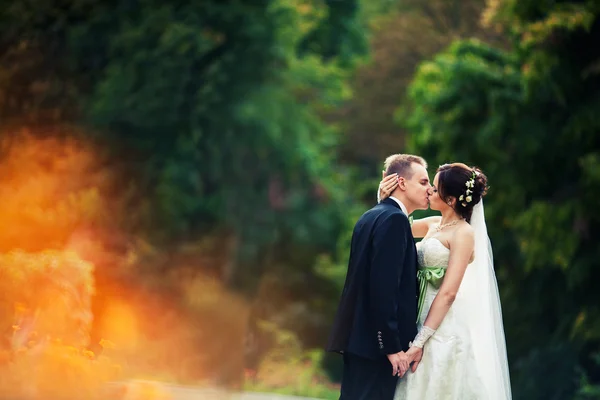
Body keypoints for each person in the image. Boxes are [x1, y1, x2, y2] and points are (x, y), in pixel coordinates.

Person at [378, 163, 512, 400]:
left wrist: (420, 342)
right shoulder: (432, 223)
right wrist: (384, 200)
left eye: (435, 189)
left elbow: (449, 292)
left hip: (443, 323)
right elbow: (392, 227)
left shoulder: (463, 233)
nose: (428, 190)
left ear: (450, 200)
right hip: (417, 315)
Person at [326, 154, 431, 400]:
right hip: (376, 348)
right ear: (402, 183)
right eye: (424, 182)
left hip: (360, 341)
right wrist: (391, 347)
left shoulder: (371, 215)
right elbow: (383, 288)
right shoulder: (394, 220)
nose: (430, 188)